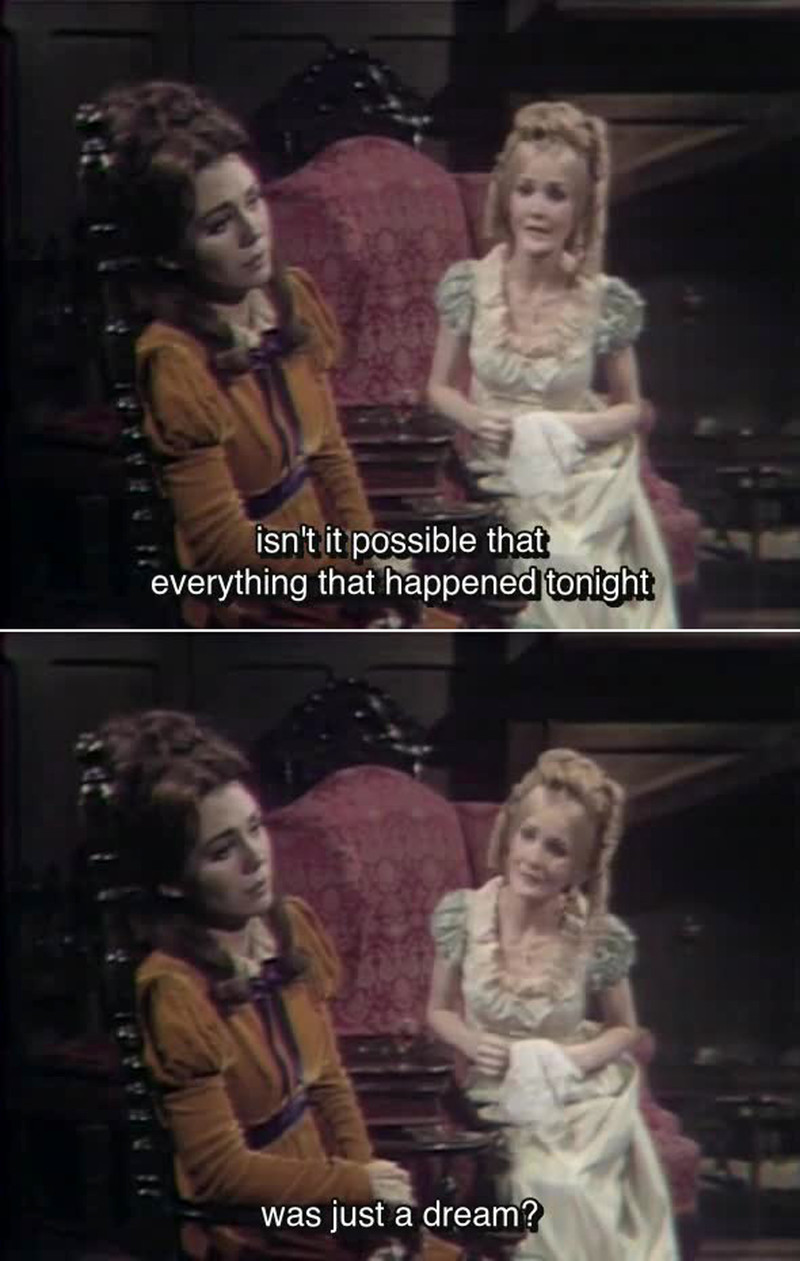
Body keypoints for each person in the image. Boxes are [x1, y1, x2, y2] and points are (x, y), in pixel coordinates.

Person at [95, 709, 458, 1261]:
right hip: (254, 1226)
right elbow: (219, 1174)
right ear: (172, 882)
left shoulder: (290, 927)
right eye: (222, 851)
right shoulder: (173, 989)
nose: (255, 859)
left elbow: (329, 1082)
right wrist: (351, 1189)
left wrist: (372, 1212)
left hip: (327, 1202)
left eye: (255, 827)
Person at [99, 81, 378, 628]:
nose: (253, 233)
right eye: (219, 224)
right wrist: (349, 576)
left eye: (253, 201)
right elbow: (223, 550)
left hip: (326, 567)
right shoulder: (174, 359)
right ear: (173, 252)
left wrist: (366, 558)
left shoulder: (292, 297)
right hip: (248, 601)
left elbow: (330, 454)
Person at [427, 101, 677, 628]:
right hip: (499, 474)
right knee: (547, 562)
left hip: (583, 477)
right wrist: (474, 418)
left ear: (581, 209)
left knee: (575, 563)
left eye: (556, 195)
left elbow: (629, 408)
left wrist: (557, 428)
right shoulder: (470, 285)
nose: (537, 209)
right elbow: (438, 389)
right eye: (526, 190)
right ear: (507, 196)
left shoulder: (604, 300)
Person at [426, 748, 679, 1261]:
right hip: (497, 1094)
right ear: (509, 832)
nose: (535, 858)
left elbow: (624, 1028)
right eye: (529, 835)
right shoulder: (464, 916)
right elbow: (438, 1011)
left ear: (583, 867)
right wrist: (471, 1042)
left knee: (570, 1186)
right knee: (535, 1185)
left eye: (557, 849)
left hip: (578, 1098)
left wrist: (568, 1060)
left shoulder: (596, 935)